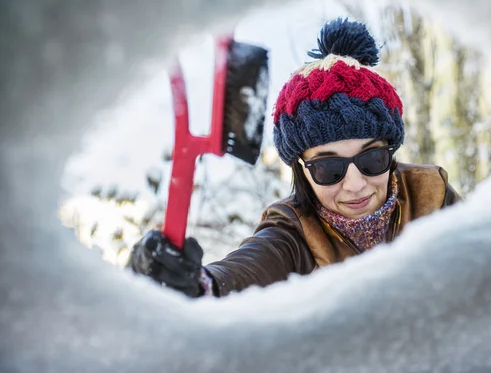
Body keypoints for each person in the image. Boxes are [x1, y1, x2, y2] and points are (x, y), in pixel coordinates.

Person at [128, 17, 462, 298]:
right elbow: (245, 270)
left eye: (372, 159)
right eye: (329, 168)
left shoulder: (431, 195)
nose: (356, 184)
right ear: (302, 169)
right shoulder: (292, 234)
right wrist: (195, 283)